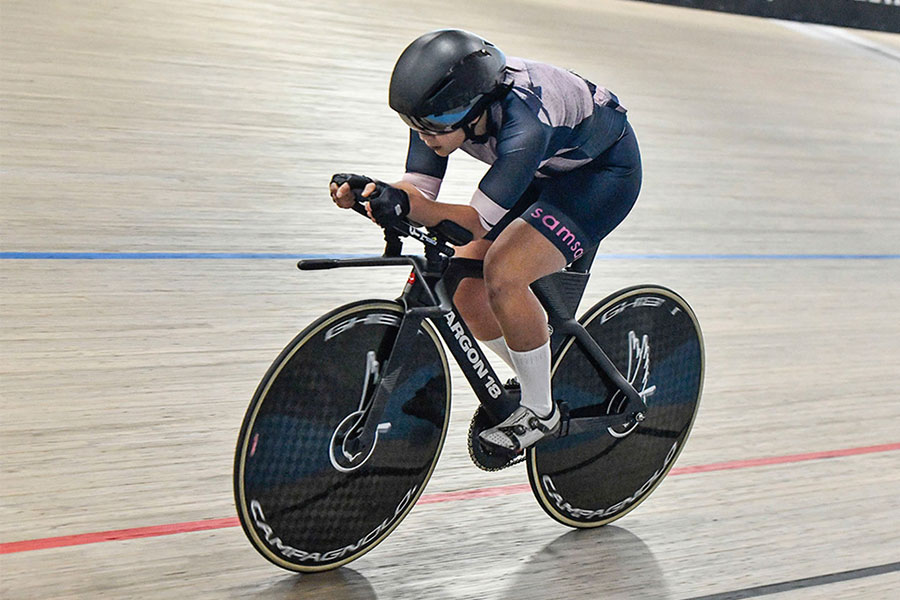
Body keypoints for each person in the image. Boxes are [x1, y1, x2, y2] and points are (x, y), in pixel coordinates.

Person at [329, 29, 642, 452]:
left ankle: (540, 411)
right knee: (463, 288)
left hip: (601, 179)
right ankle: (548, 371)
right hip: (543, 168)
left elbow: (474, 222)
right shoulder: (436, 112)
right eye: (413, 123)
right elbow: (419, 190)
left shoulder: (525, 124)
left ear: (476, 106)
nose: (424, 135)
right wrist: (376, 194)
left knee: (504, 273)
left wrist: (403, 204)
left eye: (434, 125)